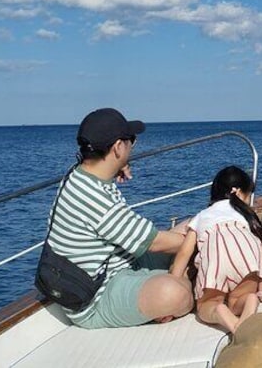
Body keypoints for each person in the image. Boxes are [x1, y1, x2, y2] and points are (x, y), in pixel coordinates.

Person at [46, 108, 193, 329]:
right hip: (97, 296)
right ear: (117, 147)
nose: (133, 145)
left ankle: (173, 283)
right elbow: (155, 242)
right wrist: (203, 241)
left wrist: (119, 164)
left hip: (118, 262)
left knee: (189, 227)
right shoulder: (95, 200)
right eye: (131, 140)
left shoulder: (78, 174)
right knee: (175, 292)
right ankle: (176, 293)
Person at [170, 165, 262, 333]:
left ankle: (219, 311)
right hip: (246, 257)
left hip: (217, 257)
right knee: (238, 299)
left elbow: (184, 253)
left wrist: (174, 281)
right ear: (238, 193)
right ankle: (250, 301)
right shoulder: (246, 215)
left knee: (206, 307)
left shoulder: (202, 215)